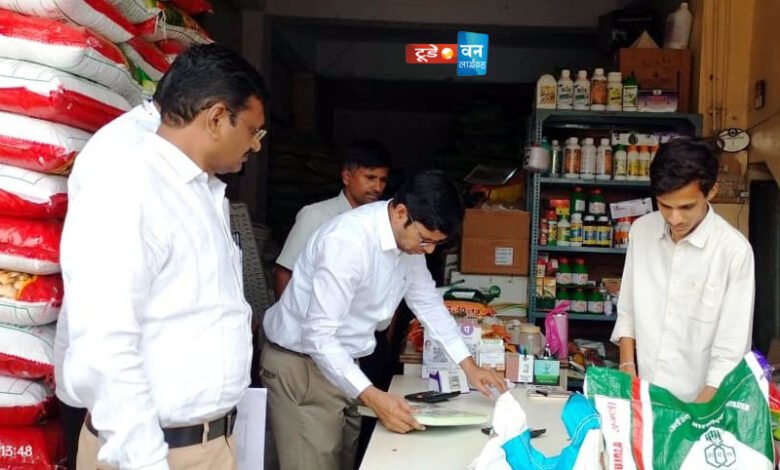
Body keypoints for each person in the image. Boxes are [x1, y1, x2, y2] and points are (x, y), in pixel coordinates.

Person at [58, 43, 269, 469]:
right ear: (216, 118)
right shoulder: (128, 187)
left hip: (207, 445)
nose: (256, 145)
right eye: (253, 130)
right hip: (154, 452)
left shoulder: (202, 192)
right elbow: (104, 347)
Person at [261, 169, 507, 470]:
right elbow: (319, 337)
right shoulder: (347, 242)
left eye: (436, 243)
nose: (429, 250)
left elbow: (426, 301)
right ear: (401, 212)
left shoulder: (406, 240)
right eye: (425, 240)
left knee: (345, 461)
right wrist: (373, 397)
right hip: (303, 367)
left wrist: (468, 365)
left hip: (345, 365)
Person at [54, 73, 167, 470]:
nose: (253, 145)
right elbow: (106, 316)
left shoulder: (155, 147)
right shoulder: (128, 154)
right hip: (112, 395)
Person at [610, 138, 755, 403]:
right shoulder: (642, 231)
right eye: (665, 206)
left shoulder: (734, 251)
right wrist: (627, 368)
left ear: (711, 192)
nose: (674, 219)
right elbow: (628, 309)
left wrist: (694, 416)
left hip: (701, 403)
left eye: (687, 207)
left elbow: (730, 351)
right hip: (644, 396)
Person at [272, 140, 392, 298]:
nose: (377, 187)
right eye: (370, 178)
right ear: (347, 177)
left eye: (383, 180)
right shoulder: (316, 215)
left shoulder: (383, 223)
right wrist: (289, 314)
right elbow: (284, 273)